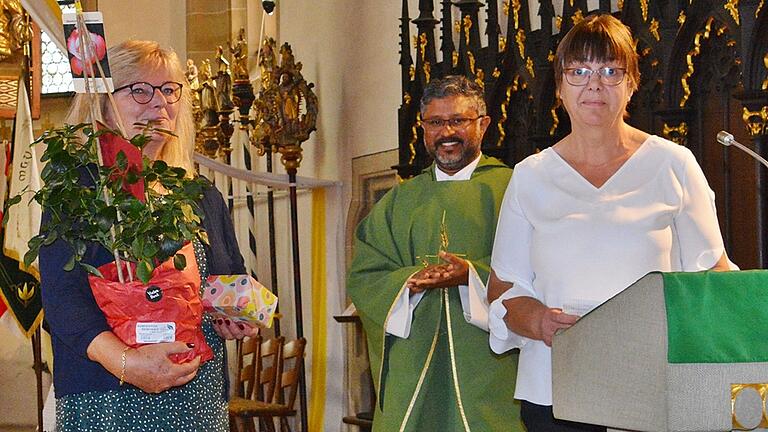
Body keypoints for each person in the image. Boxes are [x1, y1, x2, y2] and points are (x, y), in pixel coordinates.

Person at [487, 14, 732, 431]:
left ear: (632, 83)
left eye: (610, 71)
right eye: (579, 71)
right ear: (560, 88)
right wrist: (541, 322)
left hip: (656, 385)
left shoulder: (673, 164)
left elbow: (713, 276)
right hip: (556, 389)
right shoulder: (530, 175)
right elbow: (504, 289)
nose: (594, 84)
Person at [39, 40, 255, 431]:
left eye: (169, 90)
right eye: (139, 90)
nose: (159, 104)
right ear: (103, 102)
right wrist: (127, 363)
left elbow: (228, 280)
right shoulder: (80, 191)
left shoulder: (201, 194)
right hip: (106, 393)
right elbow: (63, 303)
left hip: (196, 393)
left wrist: (236, 315)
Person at [348, 75, 522, 431]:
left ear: (483, 124)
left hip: (489, 364)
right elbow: (366, 275)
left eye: (458, 120)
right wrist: (407, 282)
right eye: (436, 122)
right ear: (423, 128)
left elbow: (538, 269)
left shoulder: (512, 189)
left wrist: (472, 275)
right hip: (413, 363)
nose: (447, 133)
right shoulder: (400, 200)